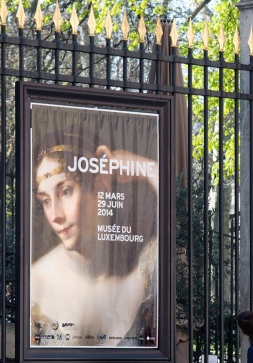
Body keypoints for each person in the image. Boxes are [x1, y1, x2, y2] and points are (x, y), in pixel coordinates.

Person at [29, 125, 159, 348]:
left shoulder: (141, 270)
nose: (55, 216)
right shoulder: (37, 281)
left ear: (99, 186)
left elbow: (177, 224)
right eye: (46, 200)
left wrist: (149, 168)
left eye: (66, 191)